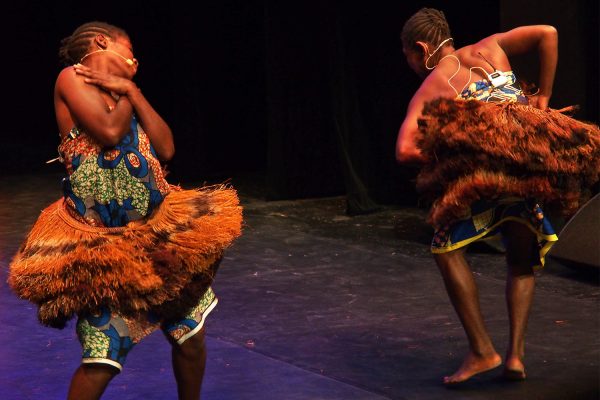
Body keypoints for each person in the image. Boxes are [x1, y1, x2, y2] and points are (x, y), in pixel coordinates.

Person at [8, 22, 242, 400]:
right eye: (128, 47)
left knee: (191, 339)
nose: (135, 57)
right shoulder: (71, 77)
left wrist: (131, 90)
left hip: (159, 239)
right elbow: (110, 132)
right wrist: (127, 93)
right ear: (103, 42)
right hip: (105, 246)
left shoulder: (124, 93)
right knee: (102, 361)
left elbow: (166, 149)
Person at [396, 9, 560, 384]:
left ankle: (483, 351)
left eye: (408, 56)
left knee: (445, 249)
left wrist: (461, 154)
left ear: (421, 49)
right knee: (520, 260)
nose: (410, 65)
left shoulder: (435, 82)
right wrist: (544, 97)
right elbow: (547, 32)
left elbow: (404, 150)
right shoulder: (492, 46)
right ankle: (515, 356)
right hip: (523, 170)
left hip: (485, 181)